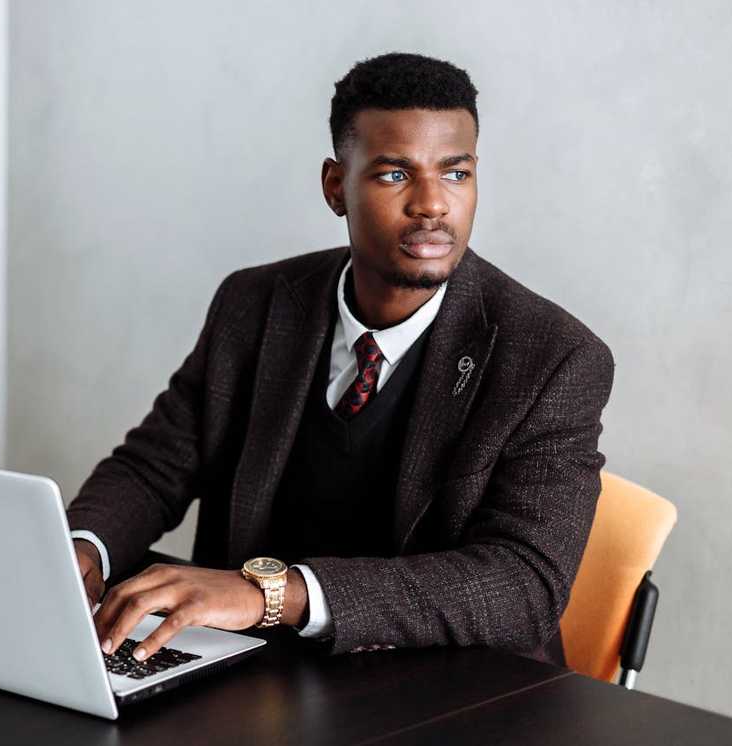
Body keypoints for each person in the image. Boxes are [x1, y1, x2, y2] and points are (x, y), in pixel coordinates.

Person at [67, 52, 614, 669]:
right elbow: (155, 465)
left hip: (451, 690)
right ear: (336, 187)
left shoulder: (552, 357)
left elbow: (523, 584)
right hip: (251, 670)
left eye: (456, 174)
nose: (433, 203)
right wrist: (82, 550)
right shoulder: (254, 303)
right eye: (394, 175)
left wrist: (277, 595)